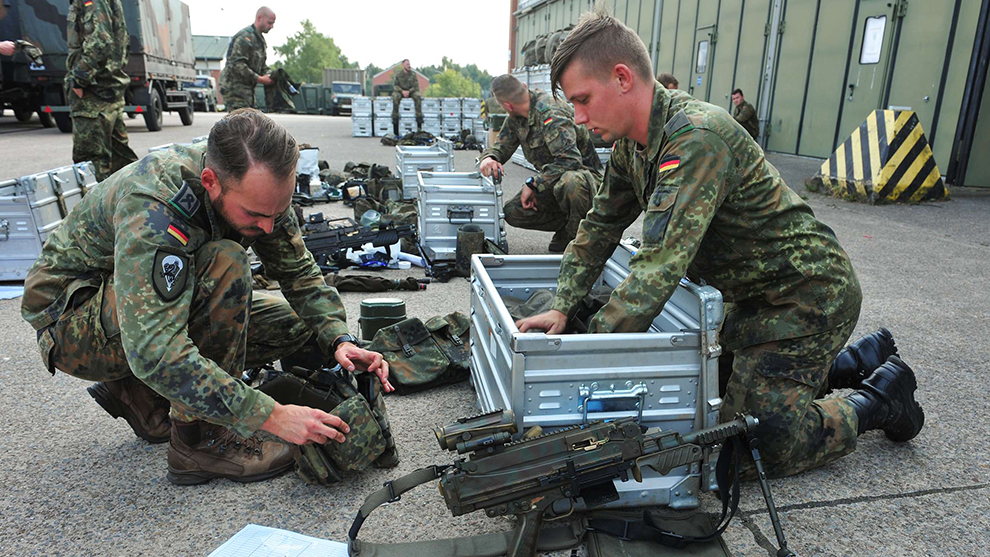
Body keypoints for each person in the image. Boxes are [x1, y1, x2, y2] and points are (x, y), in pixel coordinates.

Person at [517, 8, 924, 479]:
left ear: (623, 78)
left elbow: (657, 268)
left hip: (806, 300)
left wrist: (581, 359)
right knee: (704, 397)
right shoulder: (633, 146)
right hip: (751, 305)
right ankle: (848, 362)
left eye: (583, 99)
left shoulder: (696, 139)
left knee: (749, 447)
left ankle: (880, 397)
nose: (580, 117)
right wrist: (563, 306)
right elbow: (599, 227)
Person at [21, 109, 396, 485]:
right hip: (72, 325)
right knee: (226, 265)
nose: (267, 227)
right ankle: (199, 440)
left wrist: (338, 337)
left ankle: (137, 390)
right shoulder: (155, 204)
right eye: (255, 214)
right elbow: (154, 348)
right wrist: (270, 415)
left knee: (297, 326)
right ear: (210, 182)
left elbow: (297, 271)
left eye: (277, 212)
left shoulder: (258, 186)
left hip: (133, 308)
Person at [479, 74, 602, 253]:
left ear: (507, 106)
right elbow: (501, 147)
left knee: (570, 182)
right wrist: (489, 158)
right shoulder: (516, 118)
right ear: (522, 85)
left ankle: (581, 236)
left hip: (587, 181)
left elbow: (570, 160)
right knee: (513, 211)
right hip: (553, 182)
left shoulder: (550, 113)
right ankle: (568, 227)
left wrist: (535, 184)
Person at [65, 0, 138, 182]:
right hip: (106, 88)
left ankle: (99, 210)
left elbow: (101, 41)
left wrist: (80, 79)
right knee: (121, 163)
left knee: (90, 166)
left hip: (94, 92)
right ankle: (138, 206)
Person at [220, 7, 275, 111]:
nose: (271, 26)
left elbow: (261, 66)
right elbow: (237, 65)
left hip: (247, 90)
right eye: (269, 23)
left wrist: (270, 75)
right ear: (259, 18)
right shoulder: (245, 37)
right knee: (239, 123)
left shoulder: (259, 40)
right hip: (235, 89)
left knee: (248, 122)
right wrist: (260, 79)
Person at [390, 59, 422, 135]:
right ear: (403, 65)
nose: (409, 65)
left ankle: (419, 120)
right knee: (395, 97)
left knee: (418, 96)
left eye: (409, 64)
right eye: (407, 64)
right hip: (401, 91)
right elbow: (395, 86)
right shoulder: (398, 74)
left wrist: (409, 92)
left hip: (411, 91)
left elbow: (415, 86)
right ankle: (395, 119)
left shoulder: (413, 74)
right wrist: (402, 91)